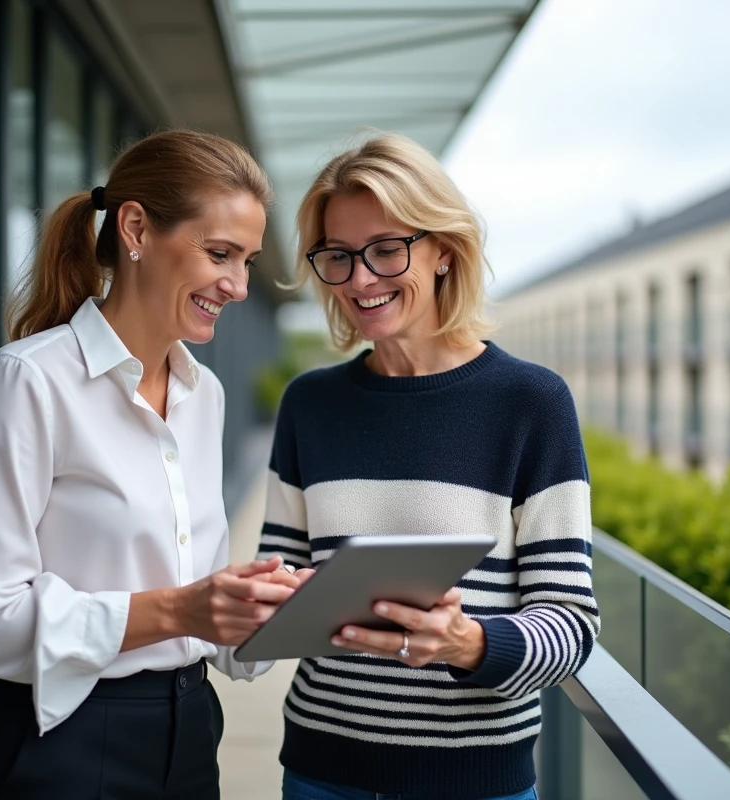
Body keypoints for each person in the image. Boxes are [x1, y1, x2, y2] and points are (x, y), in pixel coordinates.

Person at [0, 129, 298, 800]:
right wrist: (181, 611)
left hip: (192, 731)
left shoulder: (206, 394)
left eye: (246, 261)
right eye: (220, 254)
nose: (239, 285)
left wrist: (270, 610)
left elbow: (202, 610)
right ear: (135, 227)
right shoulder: (28, 381)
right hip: (64, 742)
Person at [256, 133, 601, 800]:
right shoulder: (310, 404)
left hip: (474, 782)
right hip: (321, 773)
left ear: (444, 249)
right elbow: (278, 571)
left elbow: (571, 624)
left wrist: (469, 644)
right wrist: (265, 596)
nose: (361, 279)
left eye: (387, 249)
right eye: (339, 256)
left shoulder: (532, 403)